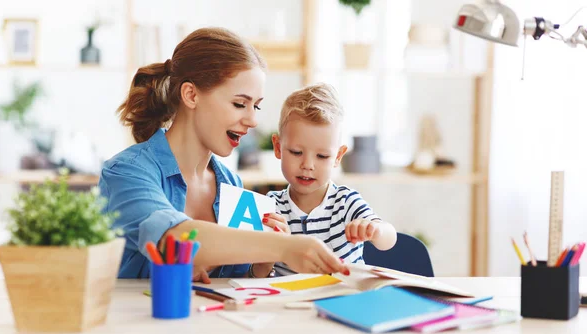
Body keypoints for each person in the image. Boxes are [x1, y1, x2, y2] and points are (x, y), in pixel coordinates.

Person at [99, 28, 348, 280]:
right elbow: (174, 239)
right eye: (240, 104)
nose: (252, 120)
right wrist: (284, 247)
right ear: (191, 95)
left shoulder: (230, 184)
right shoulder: (127, 172)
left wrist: (262, 265)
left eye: (256, 106)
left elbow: (235, 283)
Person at [267, 83, 397, 274]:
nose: (308, 165)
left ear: (338, 157)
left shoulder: (346, 202)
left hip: (343, 299)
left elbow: (389, 239)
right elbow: (255, 273)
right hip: (289, 302)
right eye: (296, 152)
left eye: (322, 156)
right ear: (278, 148)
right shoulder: (269, 207)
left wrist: (375, 230)